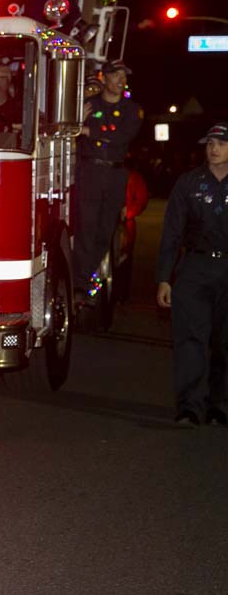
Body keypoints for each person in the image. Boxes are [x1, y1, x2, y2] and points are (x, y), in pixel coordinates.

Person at [156, 122, 228, 426]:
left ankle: (219, 406)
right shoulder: (188, 183)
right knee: (190, 340)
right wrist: (164, 277)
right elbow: (172, 233)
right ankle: (190, 407)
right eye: (210, 143)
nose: (214, 149)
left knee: (225, 342)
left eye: (221, 143)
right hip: (194, 269)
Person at [74, 59, 143, 297]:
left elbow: (123, 136)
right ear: (105, 77)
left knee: (106, 229)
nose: (121, 80)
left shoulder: (132, 109)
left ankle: (87, 272)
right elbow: (69, 130)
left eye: (124, 76)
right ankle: (80, 280)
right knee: (87, 226)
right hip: (90, 171)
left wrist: (87, 131)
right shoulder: (87, 104)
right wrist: (78, 123)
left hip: (115, 172)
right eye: (117, 75)